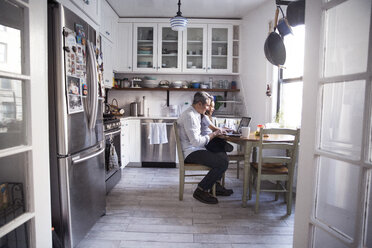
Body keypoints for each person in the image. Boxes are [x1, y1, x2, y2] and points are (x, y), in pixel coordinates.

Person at [177, 92, 233, 205]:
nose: (208, 108)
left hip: (197, 148)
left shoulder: (197, 113)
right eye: (207, 105)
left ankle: (215, 185)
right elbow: (196, 142)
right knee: (222, 163)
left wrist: (218, 132)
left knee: (222, 155)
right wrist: (214, 134)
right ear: (199, 104)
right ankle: (201, 190)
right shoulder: (189, 116)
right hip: (191, 152)